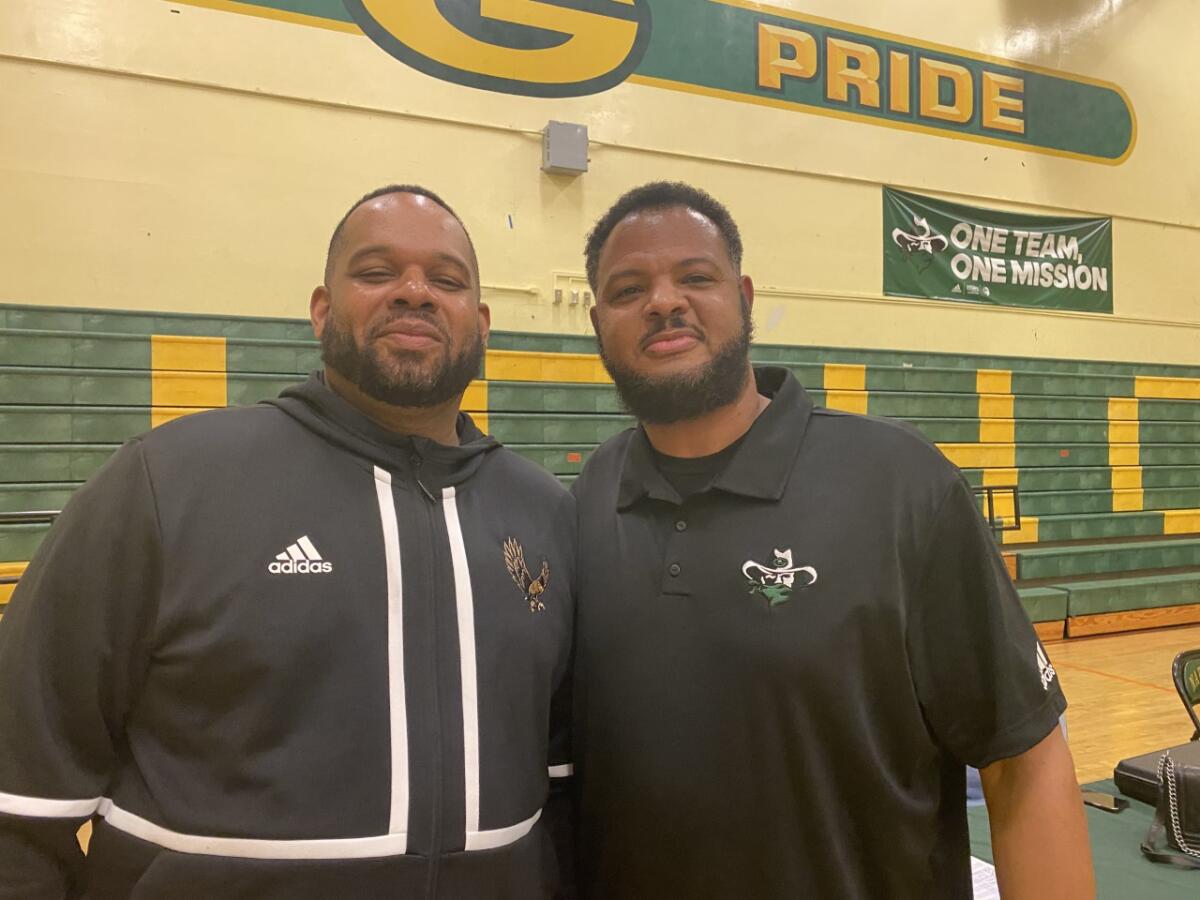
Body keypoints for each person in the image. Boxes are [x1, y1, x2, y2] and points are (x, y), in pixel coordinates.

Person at [0, 185, 574, 899]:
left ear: (482, 324)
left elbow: (566, 793)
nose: (414, 293)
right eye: (375, 272)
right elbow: (18, 806)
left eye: (446, 280)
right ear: (321, 311)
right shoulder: (168, 482)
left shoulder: (544, 513)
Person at [569, 181, 1094, 899]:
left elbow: (1023, 761)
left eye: (696, 277)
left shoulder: (899, 484)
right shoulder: (590, 495)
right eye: (630, 289)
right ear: (598, 323)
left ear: (745, 297)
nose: (664, 301)